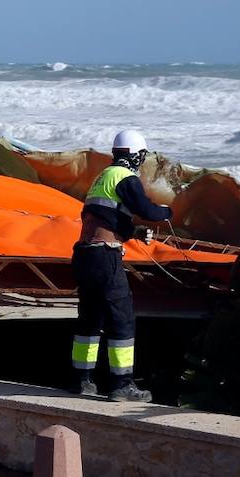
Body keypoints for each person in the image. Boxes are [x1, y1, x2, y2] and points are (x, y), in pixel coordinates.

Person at [70, 129, 173, 403]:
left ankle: (82, 381)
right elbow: (148, 210)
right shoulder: (125, 178)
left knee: (90, 319)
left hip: (84, 255)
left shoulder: (103, 177)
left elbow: (104, 216)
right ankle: (121, 385)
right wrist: (167, 212)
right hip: (105, 258)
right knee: (121, 318)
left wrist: (131, 232)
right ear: (137, 156)